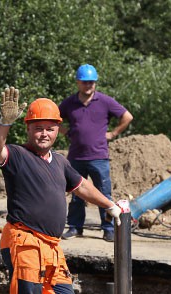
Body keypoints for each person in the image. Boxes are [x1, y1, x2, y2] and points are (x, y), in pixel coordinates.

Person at [0, 86, 123, 294]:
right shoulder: (18, 156)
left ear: (58, 130)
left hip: (51, 247)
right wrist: (4, 123)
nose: (43, 133)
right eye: (37, 128)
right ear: (28, 129)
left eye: (49, 128)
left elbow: (83, 187)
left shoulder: (60, 162)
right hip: (24, 242)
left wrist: (110, 205)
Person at [59, 64, 133, 242]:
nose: (88, 85)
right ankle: (75, 227)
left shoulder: (105, 101)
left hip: (99, 157)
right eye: (85, 82)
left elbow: (127, 116)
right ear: (78, 82)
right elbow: (55, 118)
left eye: (91, 82)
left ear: (95, 83)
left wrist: (113, 133)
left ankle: (108, 229)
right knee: (77, 195)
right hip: (76, 157)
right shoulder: (70, 103)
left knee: (104, 195)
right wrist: (65, 132)